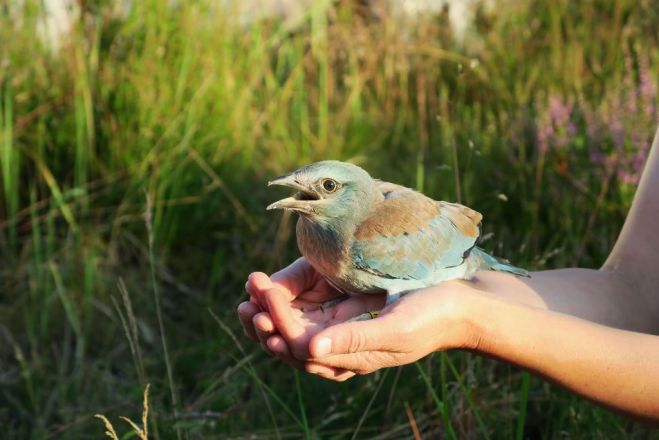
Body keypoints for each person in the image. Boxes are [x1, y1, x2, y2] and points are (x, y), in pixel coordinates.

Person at [237, 128, 659, 422]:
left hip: (449, 248)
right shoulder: (312, 230)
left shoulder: (364, 241)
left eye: (327, 187)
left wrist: (467, 320)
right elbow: (635, 288)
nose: (304, 192)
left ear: (348, 193)